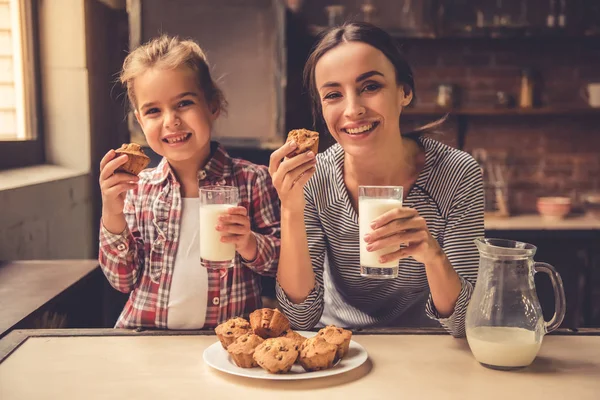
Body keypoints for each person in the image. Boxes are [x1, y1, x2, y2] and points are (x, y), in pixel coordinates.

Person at [268, 22, 484, 337]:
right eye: (333, 95)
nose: (353, 110)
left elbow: (465, 323)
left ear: (404, 92)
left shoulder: (457, 174)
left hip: (425, 346)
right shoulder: (313, 178)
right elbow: (299, 319)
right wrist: (290, 208)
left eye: (370, 87)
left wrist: (432, 255)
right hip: (340, 345)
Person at [98, 35, 280, 330]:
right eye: (153, 111)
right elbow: (121, 280)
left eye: (184, 103)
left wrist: (249, 244)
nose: (171, 120)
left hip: (227, 343)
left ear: (213, 105)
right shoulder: (138, 188)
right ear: (140, 122)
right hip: (145, 338)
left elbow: (280, 266)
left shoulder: (253, 181)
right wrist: (112, 214)